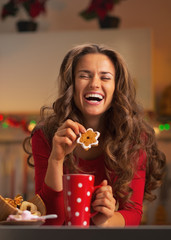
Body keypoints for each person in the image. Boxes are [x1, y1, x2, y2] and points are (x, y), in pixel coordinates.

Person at [24, 43, 166, 227]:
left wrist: (105, 220)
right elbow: (49, 221)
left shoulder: (134, 137)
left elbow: (132, 213)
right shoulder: (46, 135)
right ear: (72, 85)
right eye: (84, 76)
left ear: (116, 87)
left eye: (105, 77)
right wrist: (56, 160)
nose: (94, 84)